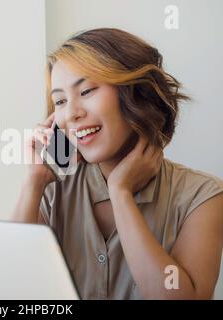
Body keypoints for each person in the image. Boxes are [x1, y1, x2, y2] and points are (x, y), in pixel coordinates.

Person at [12, 28, 223, 300]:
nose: (72, 114)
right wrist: (34, 179)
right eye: (60, 101)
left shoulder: (201, 196)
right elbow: (10, 287)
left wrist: (120, 193)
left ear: (134, 93)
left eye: (86, 91)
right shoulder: (52, 190)